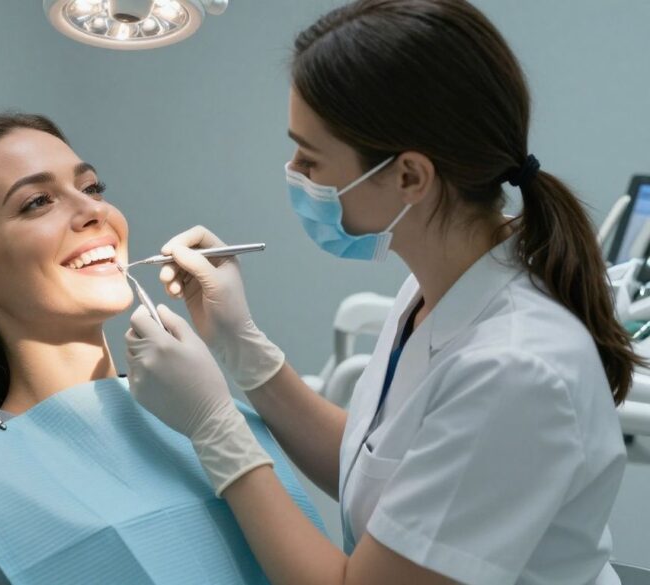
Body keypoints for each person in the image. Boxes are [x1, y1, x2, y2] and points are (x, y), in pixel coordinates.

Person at [124, 1, 638, 584]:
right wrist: (243, 346)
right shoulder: (440, 284)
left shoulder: (516, 370)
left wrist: (215, 424)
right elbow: (376, 465)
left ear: (410, 177)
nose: (293, 171)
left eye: (310, 158)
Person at [0, 112, 325, 585]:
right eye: (38, 201)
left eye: (93, 188)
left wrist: (240, 356)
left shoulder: (221, 417)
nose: (95, 211)